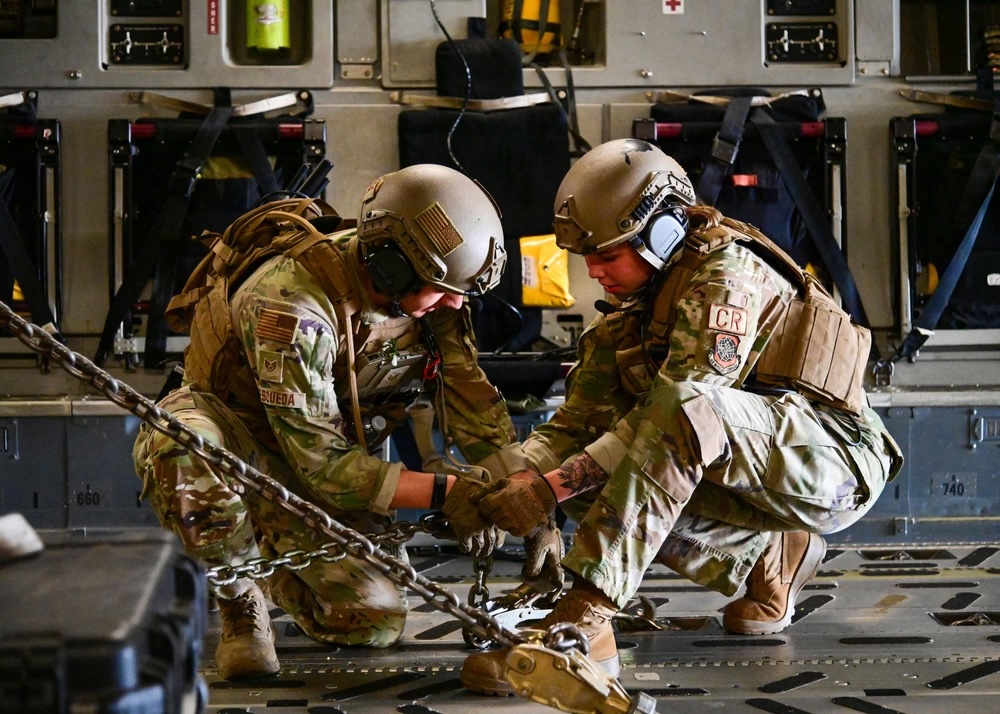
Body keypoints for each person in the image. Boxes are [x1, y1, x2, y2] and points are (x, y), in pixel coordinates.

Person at [460, 138, 904, 695]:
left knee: (676, 413)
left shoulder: (727, 278)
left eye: (608, 256)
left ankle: (585, 621)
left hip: (835, 464)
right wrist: (507, 482)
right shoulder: (628, 315)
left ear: (663, 232)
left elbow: (685, 411)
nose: (593, 272)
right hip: (755, 465)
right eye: (587, 258)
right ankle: (771, 559)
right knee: (585, 474)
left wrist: (549, 489)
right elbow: (573, 429)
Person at [133, 164, 529, 680]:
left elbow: (471, 402)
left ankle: (263, 549)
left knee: (372, 621)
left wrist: (528, 498)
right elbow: (323, 465)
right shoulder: (290, 303)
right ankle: (237, 595)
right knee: (183, 448)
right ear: (391, 267)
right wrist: (446, 492)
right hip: (239, 442)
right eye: (442, 289)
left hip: (324, 461)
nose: (455, 302)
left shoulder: (438, 296)